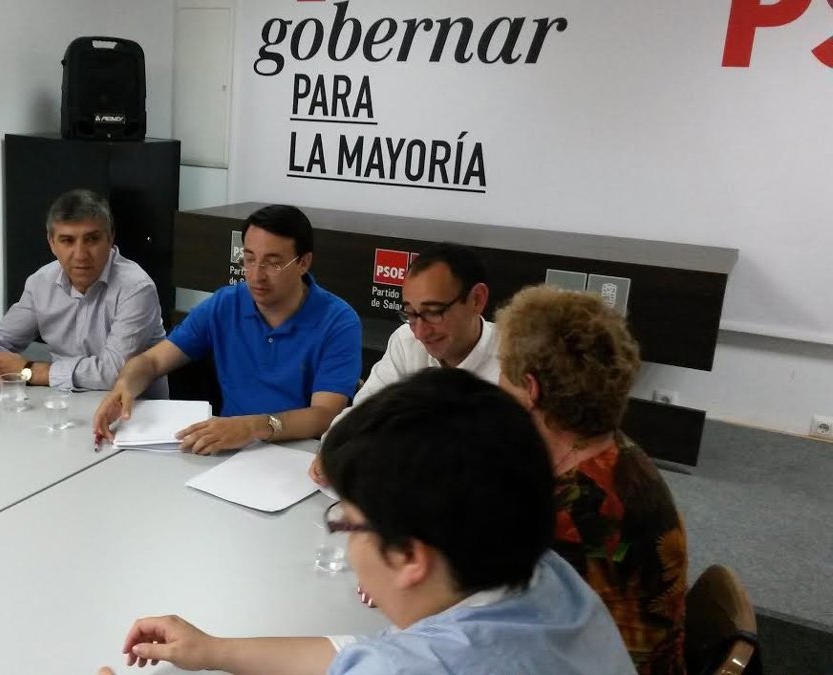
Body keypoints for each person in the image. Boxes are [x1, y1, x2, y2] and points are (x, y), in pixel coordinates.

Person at [99, 369, 636, 675]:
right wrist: (214, 650)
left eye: (350, 526)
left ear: (408, 556)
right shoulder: (548, 579)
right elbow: (368, 655)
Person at [495, 284, 688, 675]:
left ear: (531, 389)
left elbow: (490, 619)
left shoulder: (578, 512)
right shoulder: (614, 452)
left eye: (503, 370)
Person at [93, 205, 361, 454]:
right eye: (249, 259)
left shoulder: (338, 321)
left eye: (273, 263)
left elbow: (324, 415)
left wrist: (253, 427)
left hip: (299, 454)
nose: (256, 275)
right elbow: (151, 362)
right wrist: (124, 386)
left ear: (303, 262)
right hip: (227, 447)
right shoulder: (226, 304)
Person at [309, 241, 498, 486]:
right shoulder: (406, 341)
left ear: (477, 299)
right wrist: (333, 450)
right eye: (410, 314)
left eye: (433, 312)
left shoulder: (516, 361)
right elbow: (362, 415)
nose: (420, 332)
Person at [0, 189, 166, 397]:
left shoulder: (136, 288)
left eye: (92, 239)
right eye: (67, 241)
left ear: (110, 238)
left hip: (135, 409)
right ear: (51, 243)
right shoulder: (41, 282)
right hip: (64, 404)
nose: (80, 255)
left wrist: (30, 371)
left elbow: (115, 372)